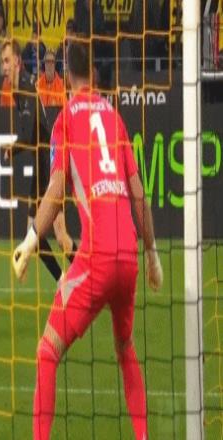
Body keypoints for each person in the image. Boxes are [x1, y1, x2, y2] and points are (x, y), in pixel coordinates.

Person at [12, 42, 164, 440]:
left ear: (66, 76)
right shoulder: (114, 117)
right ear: (94, 74)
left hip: (97, 257)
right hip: (128, 256)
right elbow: (138, 195)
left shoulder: (65, 120)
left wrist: (31, 239)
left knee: (47, 352)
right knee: (125, 347)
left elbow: (55, 191)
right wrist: (152, 255)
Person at [0, 39, 75, 282]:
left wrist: (11, 150)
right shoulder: (19, 89)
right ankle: (68, 281)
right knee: (47, 235)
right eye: (2, 62)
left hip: (49, 165)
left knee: (50, 235)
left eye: (7, 61)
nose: (4, 67)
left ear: (18, 62)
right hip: (44, 164)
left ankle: (85, 278)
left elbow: (28, 135)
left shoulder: (25, 88)